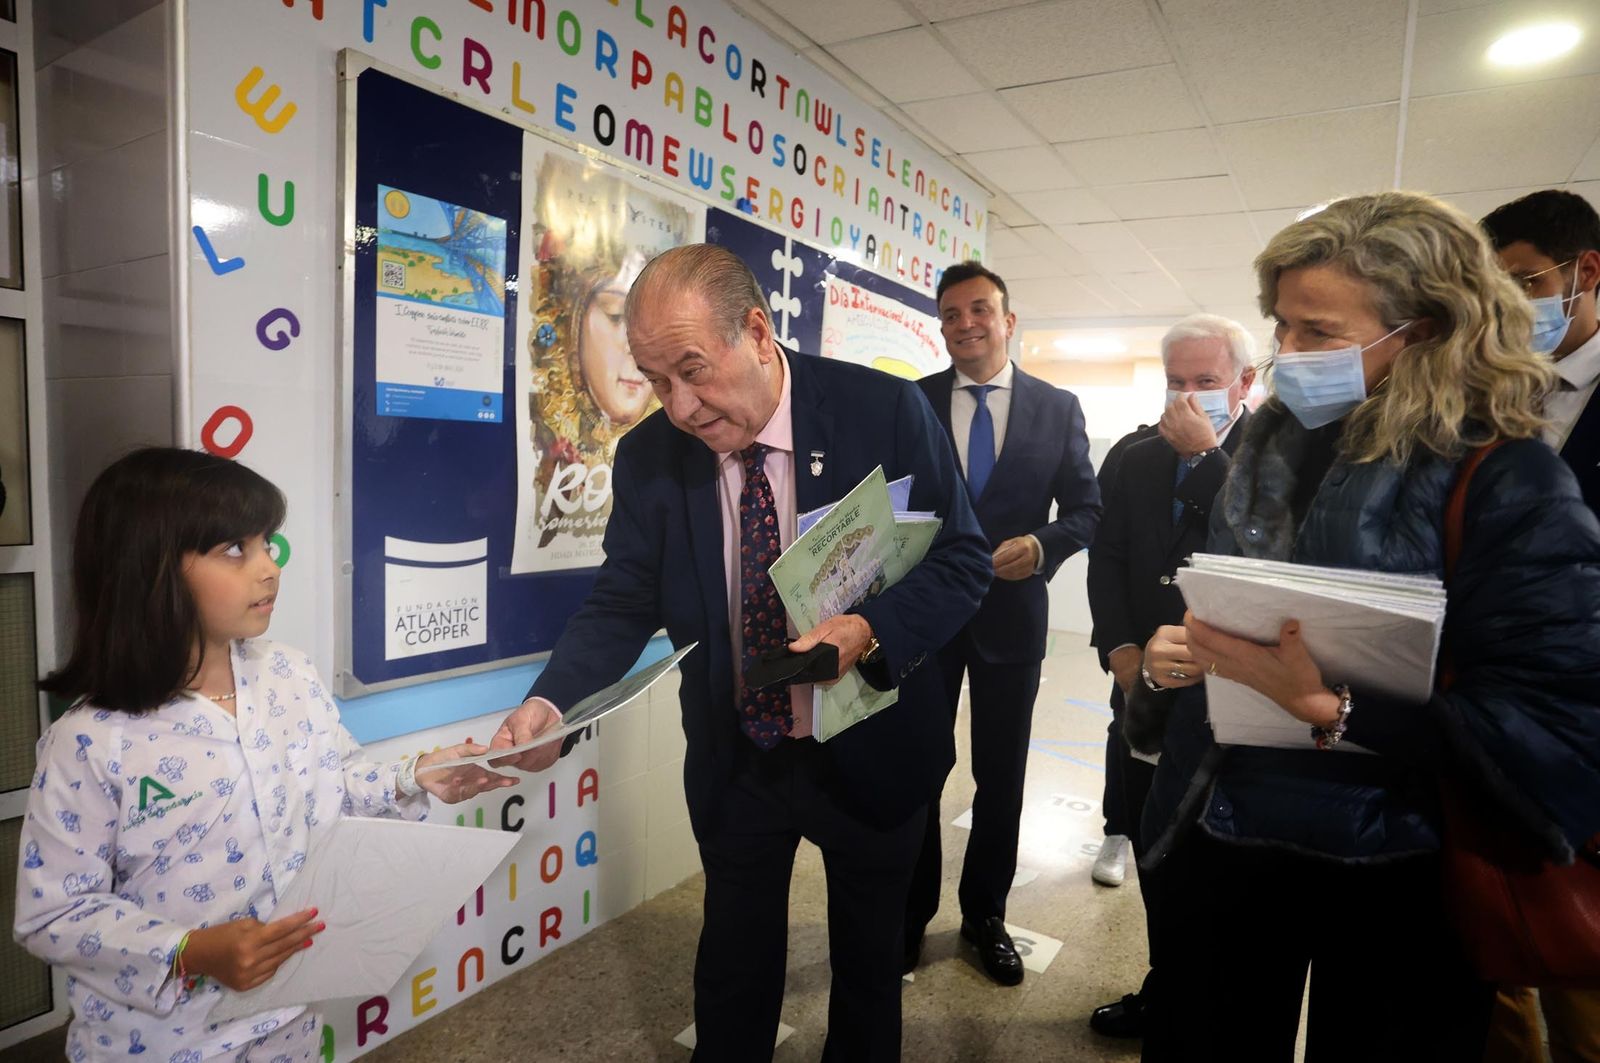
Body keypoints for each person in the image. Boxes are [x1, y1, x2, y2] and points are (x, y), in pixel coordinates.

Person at [489, 243, 991, 1062]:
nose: (679, 405)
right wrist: (551, 704)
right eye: (656, 380)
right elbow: (623, 599)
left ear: (758, 333)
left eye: (692, 370)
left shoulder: (886, 412)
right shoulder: (652, 457)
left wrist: (871, 630)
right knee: (733, 962)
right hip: (742, 753)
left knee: (868, 966)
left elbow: (964, 559)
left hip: (871, 742)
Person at [1128, 192, 1600, 1061]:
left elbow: (1558, 732)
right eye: (1283, 328)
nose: (1287, 358)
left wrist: (1336, 707)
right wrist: (1176, 658)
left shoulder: (1511, 479)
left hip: (1404, 874)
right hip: (1222, 833)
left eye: (1320, 333)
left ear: (1426, 331)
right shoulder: (1267, 451)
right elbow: (1228, 608)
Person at [14, 448, 512, 1062]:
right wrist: (190, 950)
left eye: (268, 543)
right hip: (158, 1046)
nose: (268, 567)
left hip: (291, 1024)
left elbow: (336, 785)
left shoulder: (289, 675)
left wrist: (417, 776)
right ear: (151, 566)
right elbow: (55, 914)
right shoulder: (91, 740)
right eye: (234, 550)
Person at [903, 262, 1100, 986]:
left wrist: (1046, 546)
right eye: (951, 313)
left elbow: (1087, 509)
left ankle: (984, 913)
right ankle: (909, 913)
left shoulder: (1057, 407)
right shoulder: (915, 402)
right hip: (925, 616)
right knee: (920, 768)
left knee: (1002, 775)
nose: (965, 324)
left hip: (1012, 619)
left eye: (979, 309)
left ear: (1008, 320)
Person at [1083, 313, 1258, 1038]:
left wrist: (1210, 457)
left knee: (1218, 872)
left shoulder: (1274, 460)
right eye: (1176, 382)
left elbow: (1263, 551)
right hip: (1142, 695)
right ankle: (1166, 989)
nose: (1187, 397)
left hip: (1232, 701)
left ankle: (1219, 1008)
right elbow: (1109, 556)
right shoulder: (1132, 457)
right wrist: (1121, 652)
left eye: (1206, 382)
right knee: (1156, 855)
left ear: (1245, 382)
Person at [1479, 189, 1600, 1063]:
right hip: (1485, 734)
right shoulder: (1491, 402)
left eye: (1525, 283)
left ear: (1583, 273)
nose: (1512, 310)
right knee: (1496, 978)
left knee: (1583, 975)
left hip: (1585, 743)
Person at [527, 250, 654, 547]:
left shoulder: (683, 445)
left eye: (653, 330)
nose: (637, 349)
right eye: (613, 314)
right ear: (574, 322)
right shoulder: (544, 428)